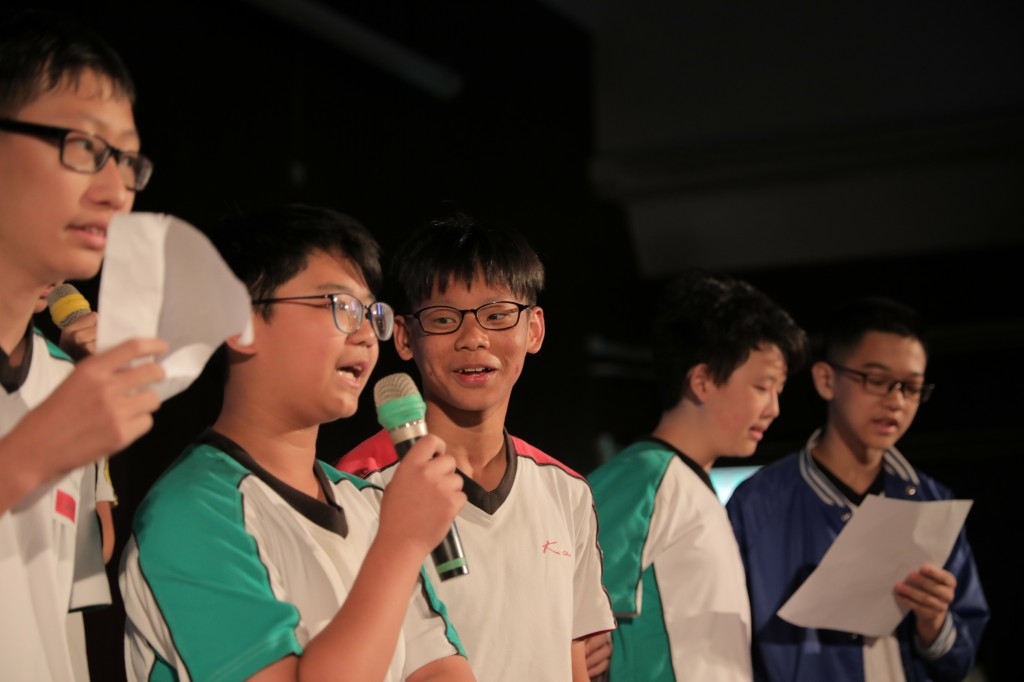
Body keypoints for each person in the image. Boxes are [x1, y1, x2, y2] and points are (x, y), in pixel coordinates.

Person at [119, 204, 475, 682]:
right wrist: (402, 545)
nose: (367, 335)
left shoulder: (369, 504)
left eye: (370, 313)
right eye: (340, 306)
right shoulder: (191, 513)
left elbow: (437, 669)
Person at [335, 208, 615, 681]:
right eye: (444, 319)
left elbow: (572, 660)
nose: (473, 338)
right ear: (404, 337)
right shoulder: (357, 485)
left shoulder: (566, 491)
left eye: (497, 315)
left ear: (534, 329)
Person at [0, 11, 166, 680]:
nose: (115, 190)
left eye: (127, 161)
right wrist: (32, 453)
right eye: (84, 146)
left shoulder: (59, 380)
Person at [726, 296, 990, 681]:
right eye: (877, 381)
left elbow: (961, 656)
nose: (896, 401)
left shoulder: (932, 502)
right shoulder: (757, 504)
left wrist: (933, 623)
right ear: (826, 380)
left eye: (911, 387)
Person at [586, 269, 808, 681]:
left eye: (778, 391)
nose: (774, 408)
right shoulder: (645, 477)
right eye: (763, 387)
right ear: (702, 381)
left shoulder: (687, 484)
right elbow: (563, 604)